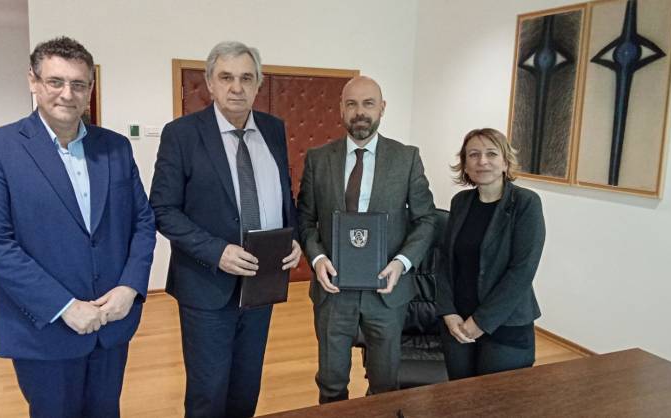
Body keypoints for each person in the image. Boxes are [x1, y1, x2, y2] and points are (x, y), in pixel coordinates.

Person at [0, 36, 156, 417]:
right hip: (45, 328)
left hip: (111, 322)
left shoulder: (116, 148)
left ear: (90, 89)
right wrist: (64, 306)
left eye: (78, 84)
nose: (67, 94)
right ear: (33, 81)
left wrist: (130, 287)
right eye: (55, 81)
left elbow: (142, 221)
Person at [149, 41, 301, 418]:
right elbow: (163, 210)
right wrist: (216, 251)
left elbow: (283, 195)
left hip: (262, 283)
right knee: (208, 392)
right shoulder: (182, 134)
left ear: (258, 84)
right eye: (226, 77)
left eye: (246, 78)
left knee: (246, 388)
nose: (236, 87)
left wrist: (294, 236)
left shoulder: (273, 129)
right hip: (207, 286)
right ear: (210, 83)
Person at [297, 76, 437, 403]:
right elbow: (304, 218)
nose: (360, 112)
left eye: (368, 103)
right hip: (333, 291)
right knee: (331, 383)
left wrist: (401, 263)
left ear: (382, 108)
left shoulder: (406, 158)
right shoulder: (318, 159)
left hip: (386, 291)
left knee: (384, 385)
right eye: (352, 104)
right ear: (341, 109)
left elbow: (426, 219)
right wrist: (317, 258)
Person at [436, 128, 545, 380]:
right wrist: (448, 312)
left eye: (491, 154)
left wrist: (481, 322)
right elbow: (446, 262)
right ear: (465, 165)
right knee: (460, 395)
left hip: (505, 324)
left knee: (497, 399)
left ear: (506, 162)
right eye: (473, 154)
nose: (482, 161)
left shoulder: (526, 203)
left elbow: (522, 271)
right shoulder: (460, 202)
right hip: (458, 323)